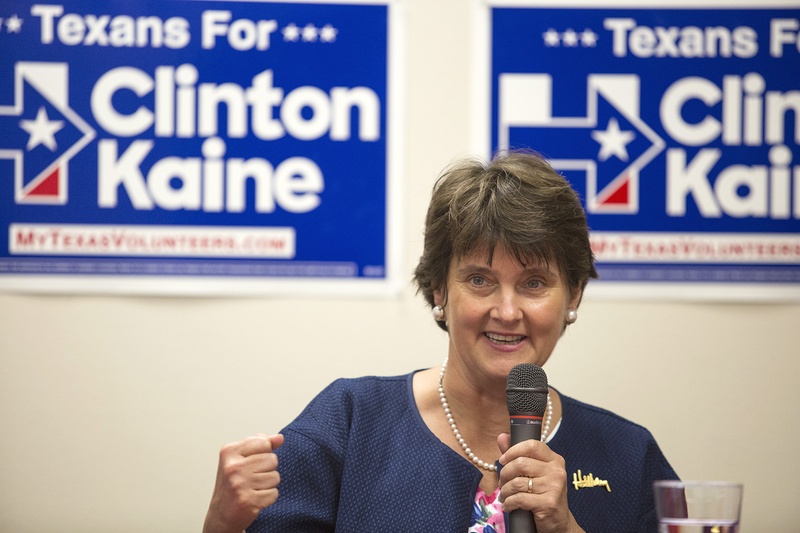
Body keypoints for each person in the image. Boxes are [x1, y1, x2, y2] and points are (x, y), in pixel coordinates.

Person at [202, 150, 679, 533]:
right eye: (479, 280)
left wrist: (565, 528)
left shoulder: (628, 454)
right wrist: (223, 524)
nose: (507, 311)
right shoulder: (349, 421)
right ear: (439, 290)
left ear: (573, 294)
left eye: (534, 283)